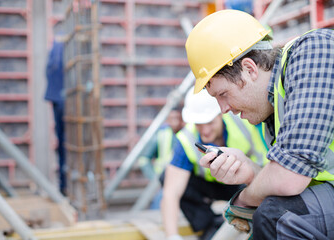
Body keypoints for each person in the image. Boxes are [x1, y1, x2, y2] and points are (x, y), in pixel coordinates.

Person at [186, 9, 334, 239]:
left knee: (275, 216)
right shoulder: (275, 109)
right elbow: (301, 181)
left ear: (249, 69)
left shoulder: (314, 51)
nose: (223, 109)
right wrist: (250, 171)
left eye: (223, 94)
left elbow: (289, 179)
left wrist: (242, 203)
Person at [161, 86, 268, 240]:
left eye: (209, 123)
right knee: (168, 177)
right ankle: (209, 225)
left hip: (246, 180)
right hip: (212, 184)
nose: (204, 131)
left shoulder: (244, 123)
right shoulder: (187, 138)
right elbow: (171, 193)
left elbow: (266, 164)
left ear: (220, 115)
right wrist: (172, 236)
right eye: (199, 124)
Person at [138, 106, 184, 209]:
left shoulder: (187, 134)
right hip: (163, 180)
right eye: (172, 118)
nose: (175, 122)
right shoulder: (161, 135)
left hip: (183, 179)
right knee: (160, 205)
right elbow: (144, 160)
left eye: (177, 118)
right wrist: (154, 179)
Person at [45, 39, 66, 195]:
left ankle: (64, 186)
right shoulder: (66, 47)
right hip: (65, 101)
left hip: (58, 99)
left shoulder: (55, 47)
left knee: (63, 145)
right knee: (67, 145)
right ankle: (65, 186)